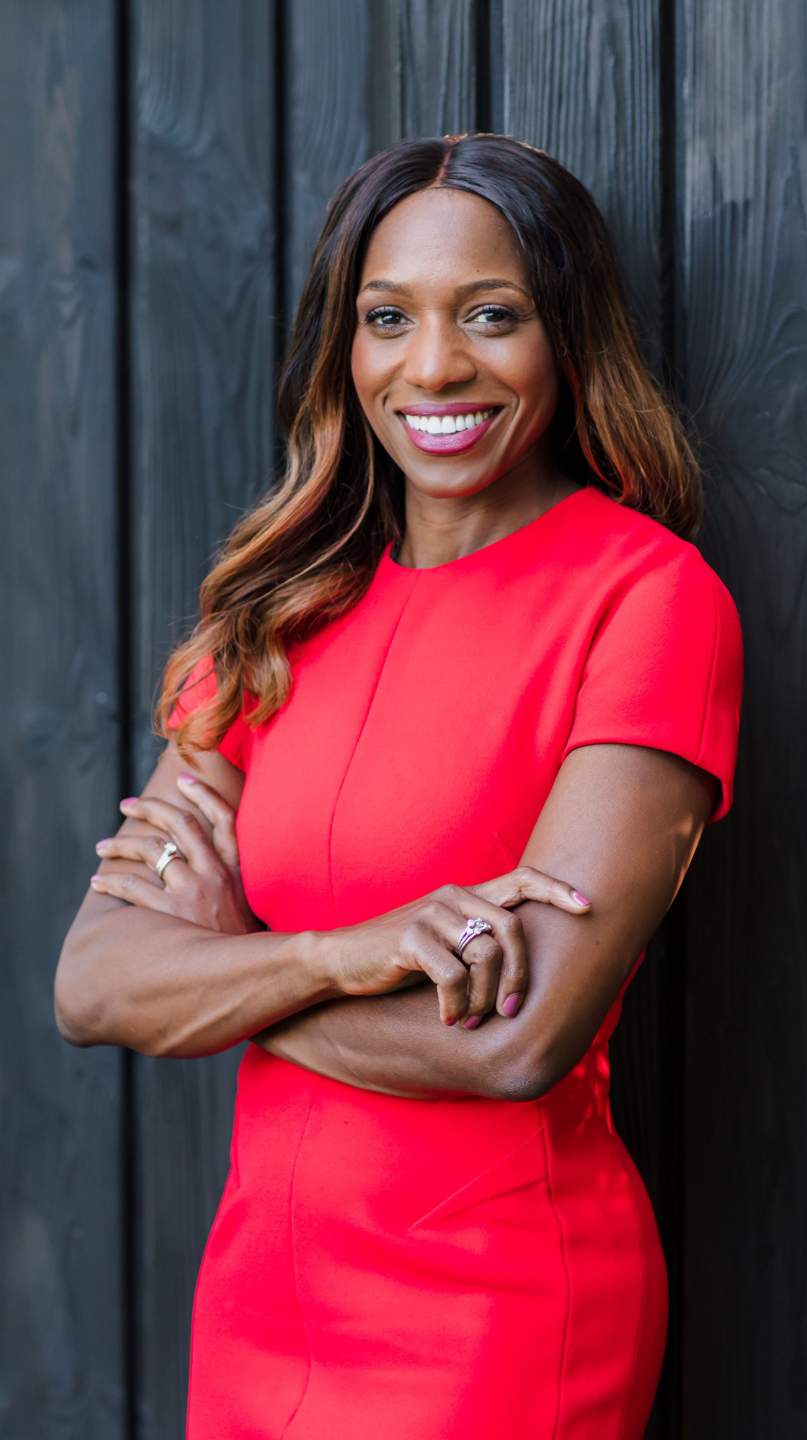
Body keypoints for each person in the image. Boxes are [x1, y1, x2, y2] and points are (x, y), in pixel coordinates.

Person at [56, 134, 743, 1439]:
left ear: (567, 336)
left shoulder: (646, 600)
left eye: (491, 315)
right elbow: (92, 985)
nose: (432, 367)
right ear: (345, 346)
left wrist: (223, 980)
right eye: (388, 318)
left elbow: (516, 1041)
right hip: (258, 1302)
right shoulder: (276, 615)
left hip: (495, 1311)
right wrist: (341, 954)